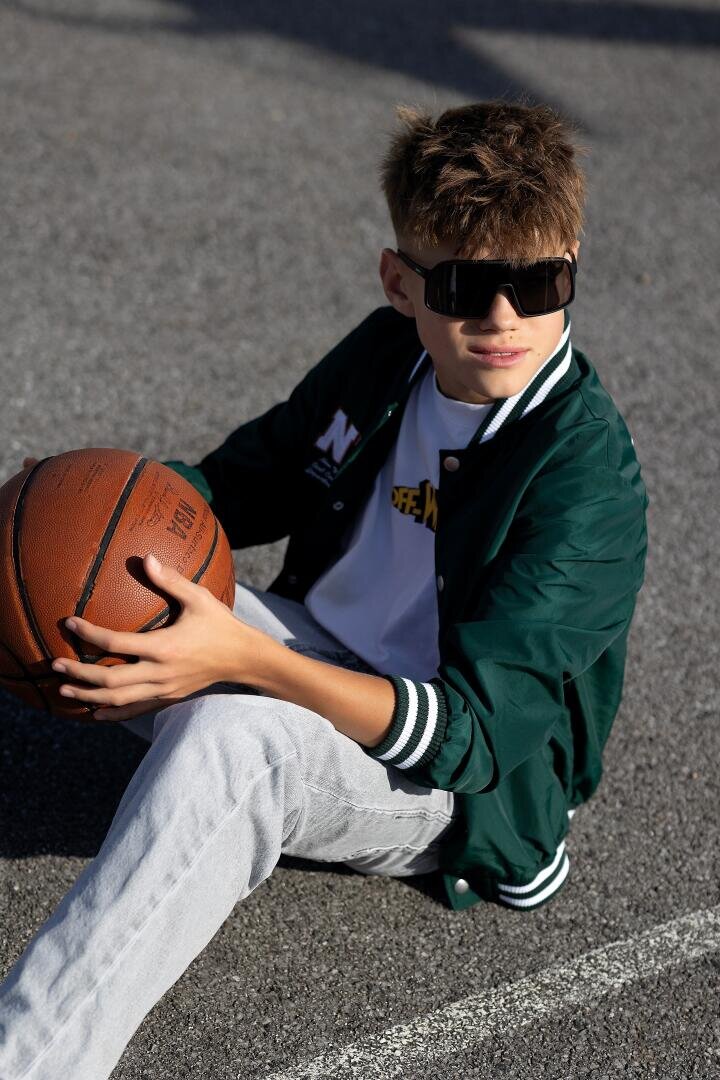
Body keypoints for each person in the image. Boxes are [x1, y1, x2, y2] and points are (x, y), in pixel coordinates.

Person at [0, 99, 648, 1079]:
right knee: (64, 583)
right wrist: (60, 512)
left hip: (451, 781)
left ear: (570, 267)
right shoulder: (392, 358)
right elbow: (247, 483)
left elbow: (473, 738)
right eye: (469, 287)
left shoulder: (586, 485)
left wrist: (243, 660)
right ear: (402, 283)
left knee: (236, 745)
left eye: (539, 281)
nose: (504, 317)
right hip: (315, 648)